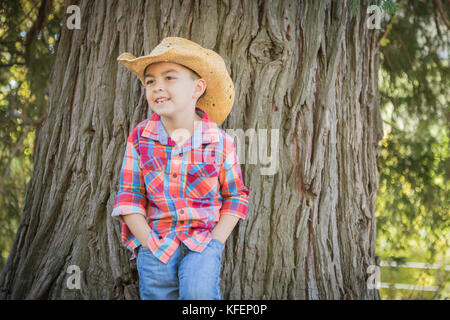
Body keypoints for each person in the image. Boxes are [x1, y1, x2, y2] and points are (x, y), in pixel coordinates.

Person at [111, 37, 250, 300]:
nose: (157, 87)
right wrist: (148, 242)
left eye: (169, 78)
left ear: (198, 87)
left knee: (199, 295)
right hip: (156, 243)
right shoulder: (141, 137)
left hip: (202, 244)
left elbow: (235, 196)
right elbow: (129, 196)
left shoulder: (220, 142)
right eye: (150, 81)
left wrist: (215, 243)